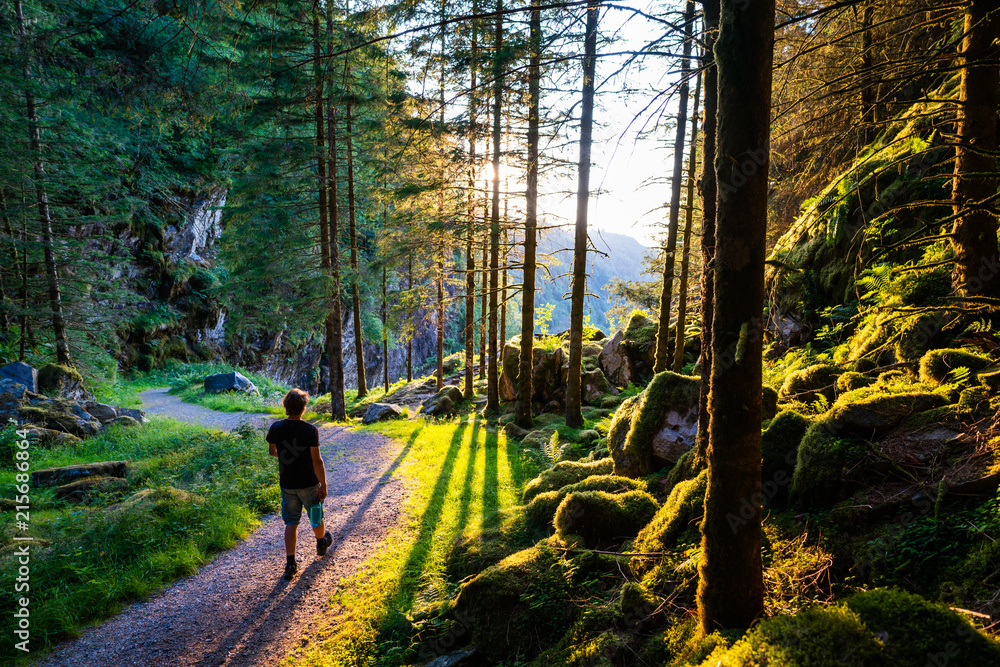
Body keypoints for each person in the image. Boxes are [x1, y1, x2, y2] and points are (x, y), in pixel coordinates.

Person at [266, 388, 333, 580]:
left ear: (286, 407)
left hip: (287, 484)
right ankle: (321, 543)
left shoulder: (275, 428)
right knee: (315, 516)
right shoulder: (310, 430)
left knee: (291, 523)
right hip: (308, 483)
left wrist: (288, 455)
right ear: (303, 408)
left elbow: (273, 452)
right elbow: (317, 461)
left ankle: (290, 564)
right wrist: (323, 485)